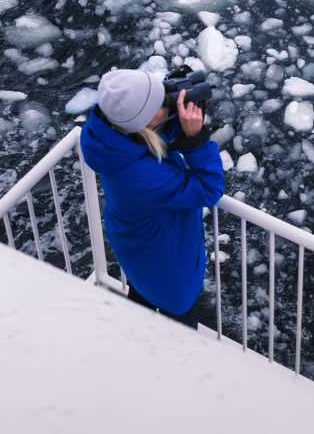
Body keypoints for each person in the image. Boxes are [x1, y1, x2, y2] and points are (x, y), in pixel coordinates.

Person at [80, 66, 225, 328]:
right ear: (144, 122)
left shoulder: (109, 133)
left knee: (141, 296)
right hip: (170, 273)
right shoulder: (142, 178)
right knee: (180, 337)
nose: (166, 105)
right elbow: (209, 188)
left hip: (138, 250)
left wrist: (169, 105)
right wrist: (195, 139)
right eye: (160, 103)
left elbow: (146, 136)